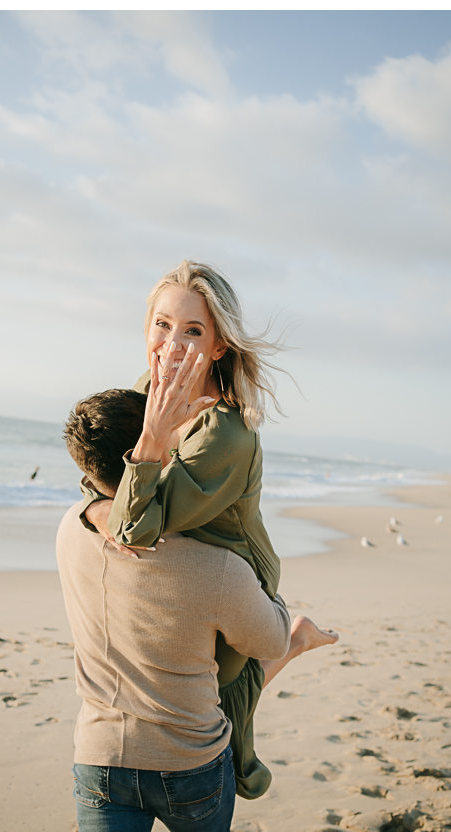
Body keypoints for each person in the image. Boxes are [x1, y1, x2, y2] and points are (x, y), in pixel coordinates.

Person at [57, 389, 337, 832]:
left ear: (87, 467)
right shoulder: (213, 565)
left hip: (101, 759)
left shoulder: (70, 528)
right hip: (190, 763)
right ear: (158, 453)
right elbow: (267, 633)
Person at [80, 260, 337, 799]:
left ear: (219, 346)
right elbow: (105, 475)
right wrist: (99, 506)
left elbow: (133, 526)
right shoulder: (149, 387)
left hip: (233, 566)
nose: (171, 344)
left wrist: (148, 447)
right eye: (162, 325)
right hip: (177, 553)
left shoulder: (227, 434)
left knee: (211, 701)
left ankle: (289, 642)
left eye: (193, 331)